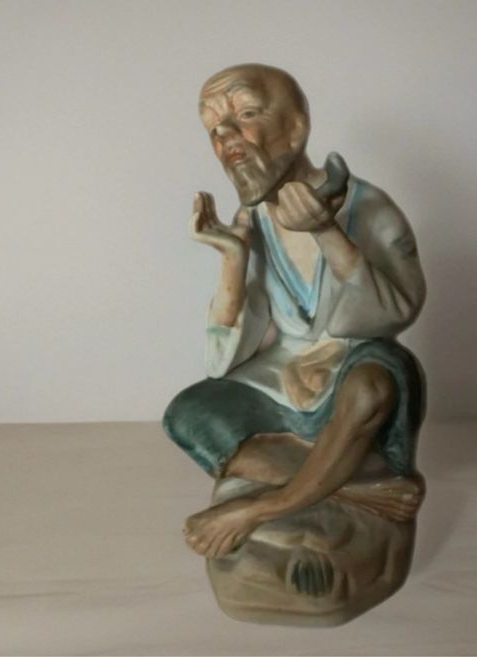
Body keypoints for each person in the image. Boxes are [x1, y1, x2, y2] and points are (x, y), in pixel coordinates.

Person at [163, 63, 427, 560]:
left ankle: (265, 505)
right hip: (285, 372)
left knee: (372, 388)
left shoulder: (370, 207)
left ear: (296, 127)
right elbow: (222, 362)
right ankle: (354, 486)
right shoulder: (253, 218)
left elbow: (395, 311)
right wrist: (233, 259)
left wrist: (327, 232)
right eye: (214, 128)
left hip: (356, 360)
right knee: (189, 415)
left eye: (246, 115)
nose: (227, 137)